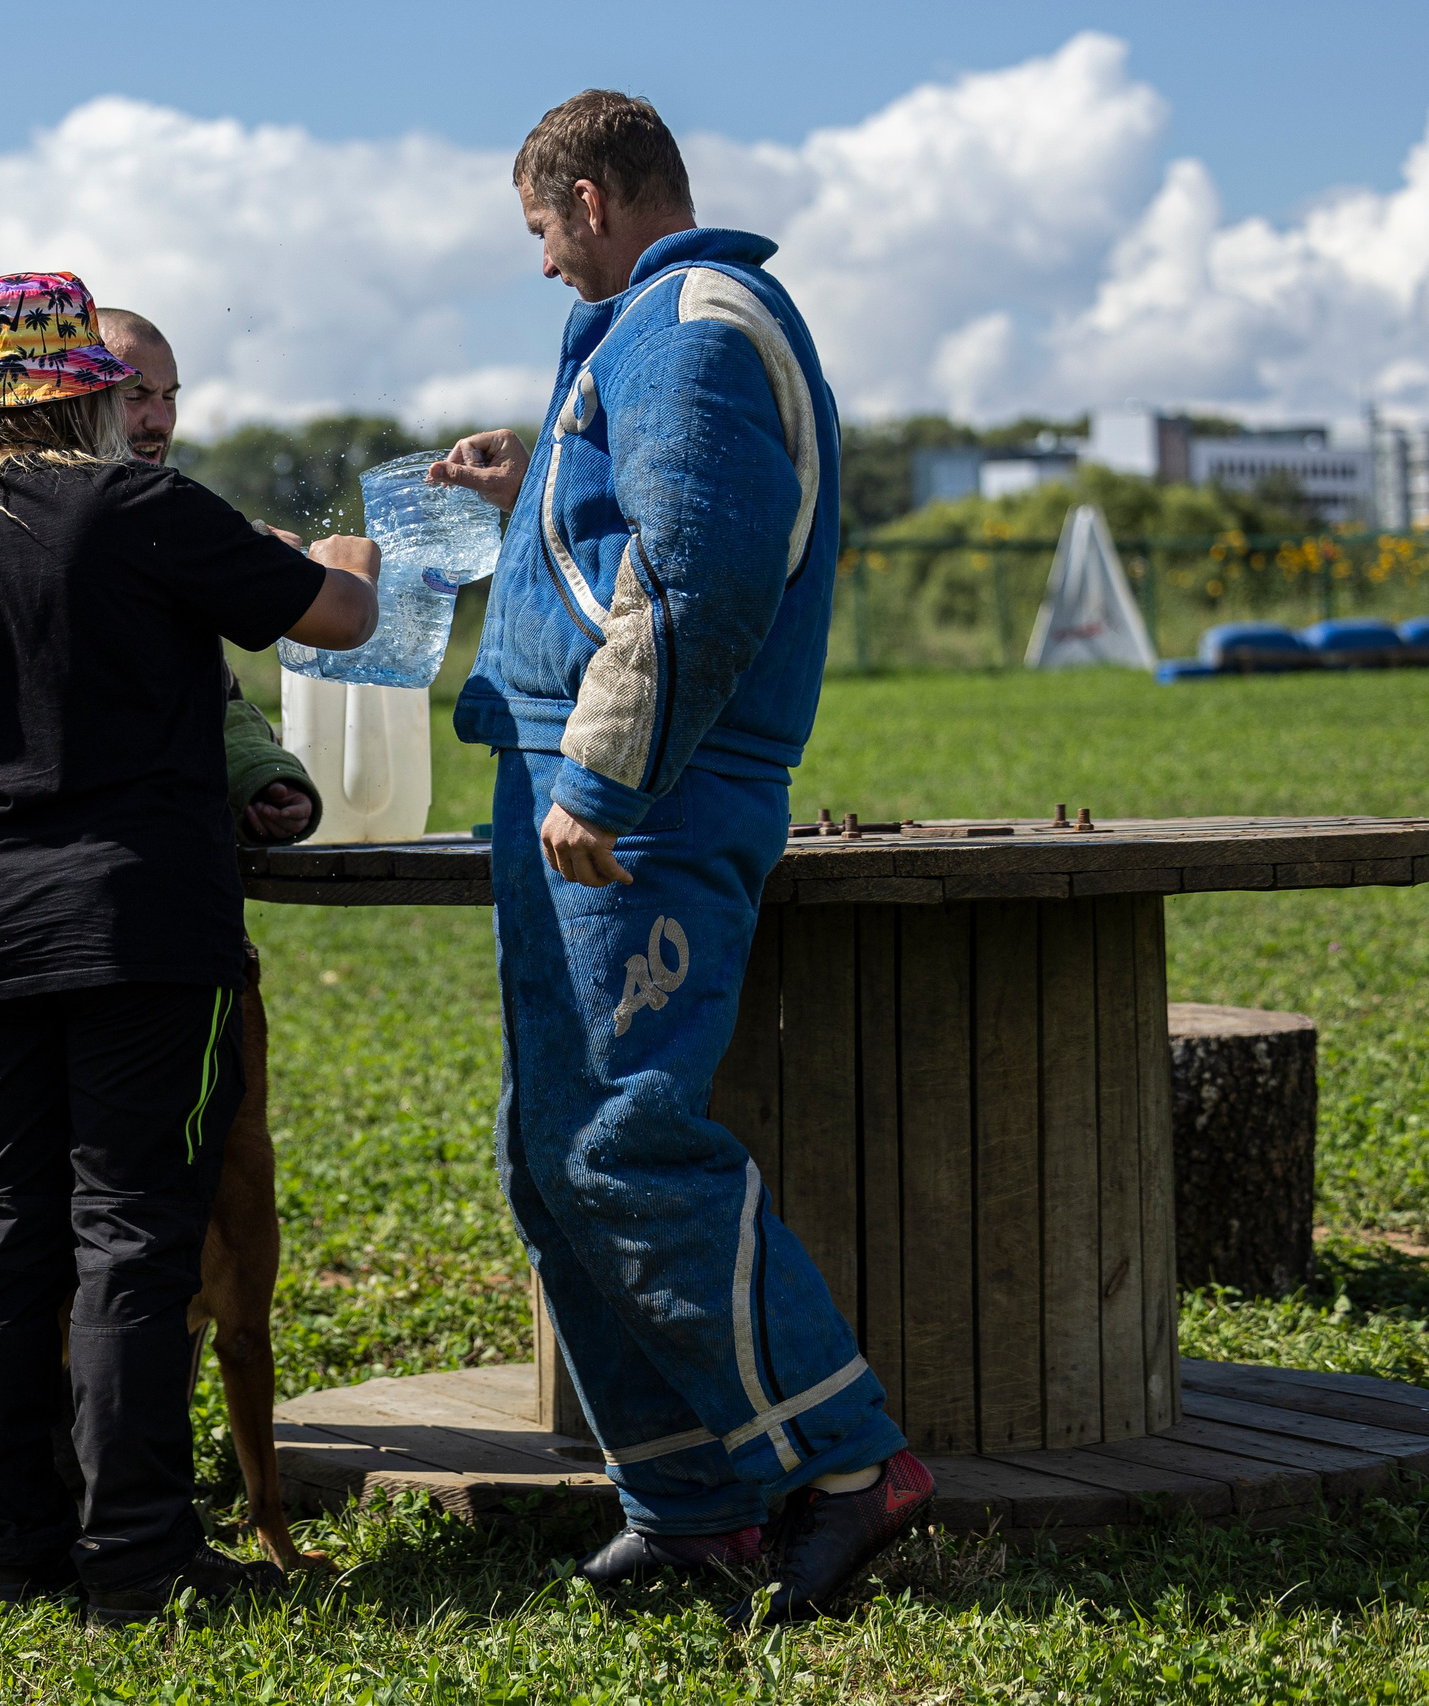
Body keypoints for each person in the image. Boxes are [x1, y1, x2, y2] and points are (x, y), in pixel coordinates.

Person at [428, 92, 933, 1622]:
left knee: (624, 1145)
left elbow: (703, 568)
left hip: (646, 799)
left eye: (537, 230)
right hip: (590, 790)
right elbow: (629, 545)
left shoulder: (696, 324)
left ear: (587, 195)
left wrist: (599, 768)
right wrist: (532, 511)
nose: (537, 267)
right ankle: (691, 1501)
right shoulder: (649, 330)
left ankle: (846, 1463)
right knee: (552, 1151)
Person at [0, 271, 378, 1625]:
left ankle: (19, 1550)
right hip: (148, 934)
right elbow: (338, 620)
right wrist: (354, 554)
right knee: (134, 1236)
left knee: (5, 1241)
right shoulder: (145, 508)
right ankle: (139, 1555)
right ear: (86, 390)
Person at [98, 306, 321, 846]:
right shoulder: (150, 519)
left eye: (169, 397)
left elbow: (211, 704)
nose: (160, 421)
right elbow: (345, 618)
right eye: (135, 396)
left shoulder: (172, 524)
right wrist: (350, 575)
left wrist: (260, 782)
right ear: (76, 396)